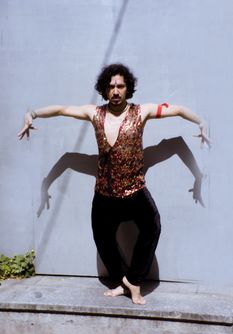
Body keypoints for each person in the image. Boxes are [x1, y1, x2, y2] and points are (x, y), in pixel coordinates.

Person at [18, 63, 210, 305]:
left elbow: (178, 116)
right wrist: (31, 114)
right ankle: (123, 282)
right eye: (111, 87)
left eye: (120, 86)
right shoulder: (94, 113)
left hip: (135, 191)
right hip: (104, 195)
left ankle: (134, 280)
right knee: (103, 239)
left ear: (127, 88)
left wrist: (201, 123)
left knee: (153, 226)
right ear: (104, 90)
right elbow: (63, 110)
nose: (116, 91)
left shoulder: (141, 112)